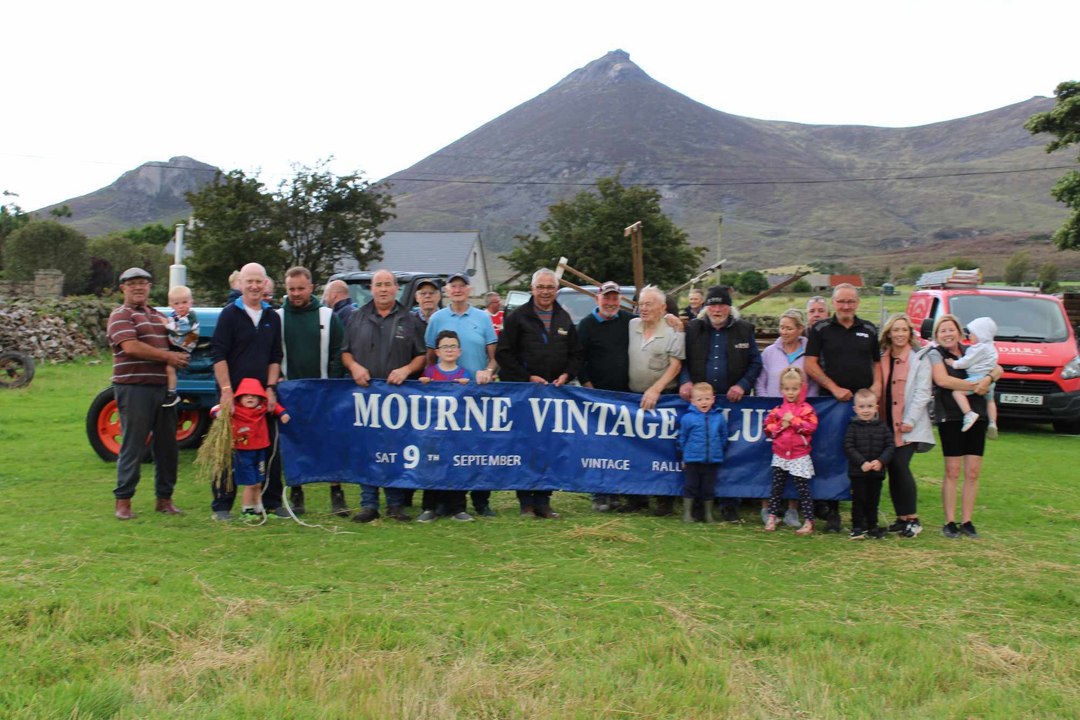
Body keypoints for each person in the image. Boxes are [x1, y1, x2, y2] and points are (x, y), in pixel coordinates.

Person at [496, 268, 584, 518]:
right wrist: (526, 378)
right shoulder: (516, 317)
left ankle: (544, 501)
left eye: (550, 287)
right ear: (532, 289)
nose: (545, 292)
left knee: (550, 447)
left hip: (554, 396)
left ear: (556, 290)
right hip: (525, 395)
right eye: (541, 287)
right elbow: (504, 353)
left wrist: (567, 374)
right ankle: (525, 502)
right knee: (525, 446)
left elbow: (577, 354)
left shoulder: (564, 318)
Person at [342, 269, 427, 523]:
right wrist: (354, 367)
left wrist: (406, 369)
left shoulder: (409, 319)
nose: (383, 289)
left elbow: (421, 356)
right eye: (378, 284)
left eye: (387, 284)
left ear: (395, 288)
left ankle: (395, 504)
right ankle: (369, 504)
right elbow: (345, 352)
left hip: (397, 397)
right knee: (367, 449)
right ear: (371, 288)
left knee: (394, 450)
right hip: (365, 397)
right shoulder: (356, 317)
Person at [107, 267, 189, 520]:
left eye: (143, 283)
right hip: (134, 387)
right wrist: (168, 357)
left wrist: (185, 345)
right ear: (123, 288)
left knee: (167, 447)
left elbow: (177, 339)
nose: (139, 287)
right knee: (133, 445)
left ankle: (164, 499)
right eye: (132, 284)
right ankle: (123, 502)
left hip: (162, 388)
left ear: (150, 287)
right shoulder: (120, 315)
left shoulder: (157, 315)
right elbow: (130, 347)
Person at [679, 285, 762, 521]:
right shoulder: (694, 328)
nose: (717, 309)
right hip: (699, 402)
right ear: (706, 307)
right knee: (697, 453)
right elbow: (681, 359)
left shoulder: (744, 329)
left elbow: (756, 363)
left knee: (730, 452)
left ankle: (730, 503)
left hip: (732, 401)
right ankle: (696, 506)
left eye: (722, 305)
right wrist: (685, 382)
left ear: (729, 307)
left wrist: (743, 385)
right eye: (712, 305)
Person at [804, 283, 881, 533]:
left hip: (863, 406)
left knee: (864, 455)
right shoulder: (821, 329)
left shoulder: (869, 329)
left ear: (857, 302)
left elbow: (877, 365)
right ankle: (832, 510)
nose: (846, 306)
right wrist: (834, 388)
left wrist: (875, 393)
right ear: (834, 303)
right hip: (832, 403)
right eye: (841, 302)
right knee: (833, 455)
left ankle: (865, 515)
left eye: (850, 301)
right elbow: (810, 364)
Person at [209, 262, 284, 521]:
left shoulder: (272, 317)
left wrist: (271, 388)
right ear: (240, 284)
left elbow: (276, 356)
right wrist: (226, 391)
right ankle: (221, 505)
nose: (253, 286)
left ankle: (271, 502)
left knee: (269, 447)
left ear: (265, 285)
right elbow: (218, 354)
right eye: (249, 281)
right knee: (229, 450)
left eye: (258, 281)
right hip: (235, 398)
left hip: (262, 399)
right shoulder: (229, 315)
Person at [424, 271, 499, 516]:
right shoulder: (437, 318)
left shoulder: (483, 317)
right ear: (446, 291)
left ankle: (480, 500)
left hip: (475, 393)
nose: (457, 290)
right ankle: (444, 501)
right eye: (453, 286)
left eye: (462, 286)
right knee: (443, 447)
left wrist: (488, 371)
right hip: (443, 395)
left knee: (477, 448)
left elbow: (493, 356)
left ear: (469, 290)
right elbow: (428, 355)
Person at [277, 266, 347, 517]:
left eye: (300, 288)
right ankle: (297, 493)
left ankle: (337, 495)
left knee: (330, 442)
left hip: (324, 390)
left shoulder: (328, 316)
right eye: (291, 289)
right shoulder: (278, 317)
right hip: (290, 392)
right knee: (293, 443)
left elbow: (339, 351)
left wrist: (333, 384)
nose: (296, 293)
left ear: (311, 287)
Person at [927, 314, 1001, 539]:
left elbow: (998, 369)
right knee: (952, 471)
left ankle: (967, 521)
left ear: (960, 332)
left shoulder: (973, 349)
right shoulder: (935, 354)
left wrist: (987, 380)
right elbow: (943, 381)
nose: (947, 334)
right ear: (937, 335)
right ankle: (950, 521)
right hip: (950, 416)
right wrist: (975, 384)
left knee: (973, 471)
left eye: (951, 329)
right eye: (943, 330)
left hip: (976, 415)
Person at [754, 308, 818, 527]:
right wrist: (767, 405)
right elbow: (760, 380)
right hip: (777, 412)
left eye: (789, 328)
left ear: (800, 329)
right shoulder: (770, 352)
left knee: (800, 477)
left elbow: (814, 380)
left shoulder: (809, 349)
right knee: (774, 471)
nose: (784, 332)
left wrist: (803, 408)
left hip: (799, 414)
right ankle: (769, 511)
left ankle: (794, 511)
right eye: (781, 327)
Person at [630, 286, 686, 516]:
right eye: (641, 304)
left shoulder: (673, 330)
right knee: (634, 450)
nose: (643, 308)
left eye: (649, 304)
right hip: (633, 397)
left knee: (665, 452)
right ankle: (637, 497)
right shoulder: (631, 325)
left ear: (663, 308)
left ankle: (666, 498)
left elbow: (676, 365)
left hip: (664, 399)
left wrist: (656, 389)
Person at [878, 312, 935, 538]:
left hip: (907, 426)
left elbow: (923, 392)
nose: (900, 334)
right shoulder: (882, 358)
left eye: (904, 330)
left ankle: (913, 518)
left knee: (901, 467)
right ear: (889, 333)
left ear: (910, 333)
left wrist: (910, 419)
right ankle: (901, 519)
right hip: (885, 424)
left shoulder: (919, 360)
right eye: (896, 330)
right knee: (892, 469)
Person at [415, 330, 475, 524]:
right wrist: (423, 384)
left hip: (456, 432)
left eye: (453, 346)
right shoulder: (430, 372)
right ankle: (429, 507)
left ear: (459, 351)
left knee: (456, 467)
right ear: (437, 352)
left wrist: (468, 386)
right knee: (431, 466)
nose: (449, 350)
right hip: (433, 432)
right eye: (445, 347)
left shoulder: (464, 373)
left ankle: (458, 508)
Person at [210, 378, 290, 520]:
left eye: (254, 396)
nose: (250, 398)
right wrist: (219, 413)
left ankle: (259, 508)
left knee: (259, 481)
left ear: (260, 398)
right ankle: (247, 510)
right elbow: (215, 409)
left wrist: (283, 414)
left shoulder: (261, 408)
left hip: (260, 451)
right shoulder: (236, 409)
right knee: (250, 483)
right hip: (243, 453)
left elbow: (275, 406)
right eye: (246, 395)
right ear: (239, 398)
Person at [763, 367, 817, 535]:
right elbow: (768, 428)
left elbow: (811, 426)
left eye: (794, 389)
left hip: (799, 455)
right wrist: (781, 425)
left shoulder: (806, 410)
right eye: (787, 389)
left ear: (801, 388)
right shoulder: (777, 410)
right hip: (780, 454)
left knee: (803, 489)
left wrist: (793, 421)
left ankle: (809, 521)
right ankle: (772, 516)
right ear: (781, 389)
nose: (790, 392)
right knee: (776, 487)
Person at [843, 388, 895, 540]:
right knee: (859, 500)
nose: (866, 410)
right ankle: (857, 527)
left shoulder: (883, 427)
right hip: (858, 472)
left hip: (877, 472)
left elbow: (890, 446)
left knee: (873, 500)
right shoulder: (852, 427)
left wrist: (881, 461)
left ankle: (873, 527)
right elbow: (848, 446)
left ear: (876, 407)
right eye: (862, 407)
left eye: (870, 406)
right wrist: (862, 462)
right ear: (855, 409)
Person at [676, 382, 728, 523]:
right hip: (692, 460)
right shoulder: (688, 418)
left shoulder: (719, 417)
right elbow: (682, 438)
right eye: (699, 399)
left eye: (706, 398)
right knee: (691, 486)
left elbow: (724, 436)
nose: (703, 402)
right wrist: (683, 457)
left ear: (713, 399)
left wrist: (718, 450)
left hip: (712, 460)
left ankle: (708, 515)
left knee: (708, 488)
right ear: (693, 401)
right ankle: (687, 514)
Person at [947, 316, 1000, 436]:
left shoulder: (978, 349)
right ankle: (992, 422)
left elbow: (967, 361)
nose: (969, 335)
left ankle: (968, 413)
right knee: (990, 401)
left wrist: (954, 363)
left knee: (957, 393)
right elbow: (996, 367)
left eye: (972, 333)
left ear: (980, 334)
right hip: (989, 381)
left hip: (977, 378)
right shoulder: (991, 347)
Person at [160, 284, 200, 409]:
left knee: (169, 368)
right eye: (177, 303)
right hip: (177, 343)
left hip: (184, 346)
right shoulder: (176, 316)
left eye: (184, 302)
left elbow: (181, 329)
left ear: (191, 302)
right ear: (171, 304)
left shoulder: (190, 317)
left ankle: (172, 393)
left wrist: (166, 324)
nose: (181, 306)